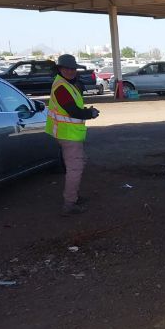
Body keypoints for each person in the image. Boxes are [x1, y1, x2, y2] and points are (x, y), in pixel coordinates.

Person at [45, 54, 100, 216]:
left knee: (79, 163)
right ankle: (69, 204)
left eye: (72, 69)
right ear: (60, 69)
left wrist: (86, 112)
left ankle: (73, 197)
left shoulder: (66, 84)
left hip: (69, 133)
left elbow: (72, 108)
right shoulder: (62, 87)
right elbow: (73, 111)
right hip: (68, 135)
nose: (70, 71)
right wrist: (90, 113)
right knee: (75, 169)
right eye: (67, 68)